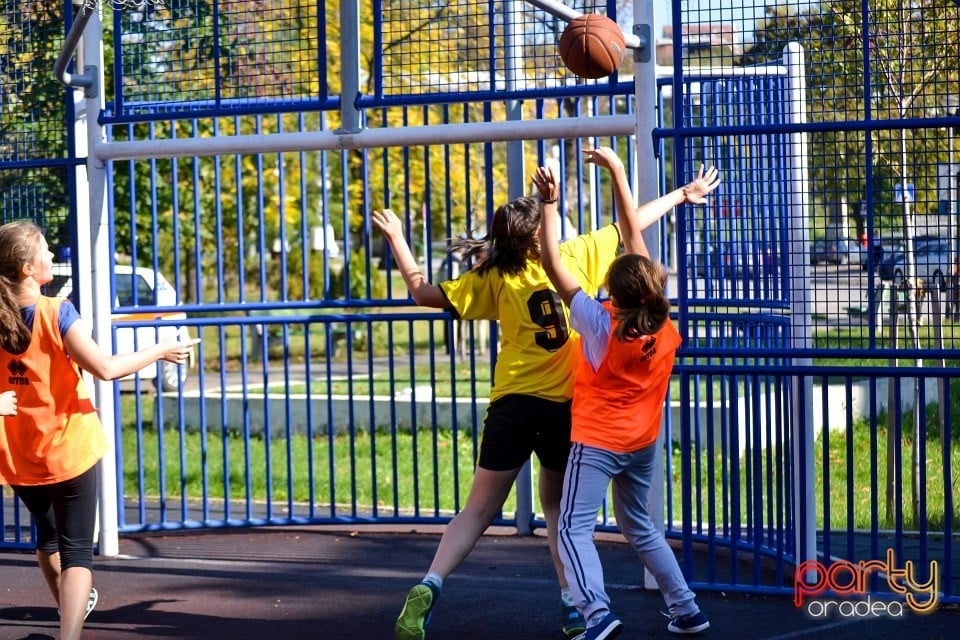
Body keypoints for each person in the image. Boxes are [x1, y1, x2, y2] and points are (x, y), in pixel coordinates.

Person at [535, 158, 720, 640]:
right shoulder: (665, 323)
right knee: (640, 526)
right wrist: (619, 169)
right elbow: (635, 242)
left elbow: (553, 263)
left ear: (614, 294)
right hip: (642, 444)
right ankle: (686, 608)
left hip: (597, 443)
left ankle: (595, 616)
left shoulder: (601, 327)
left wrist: (549, 205)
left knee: (573, 528)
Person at [0, 220, 199, 640]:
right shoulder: (57, 313)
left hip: (19, 455)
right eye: (47, 253)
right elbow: (106, 369)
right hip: (67, 448)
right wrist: (162, 348)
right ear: (26, 269)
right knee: (76, 554)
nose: (52, 257)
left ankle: (68, 609)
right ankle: (68, 635)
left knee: (48, 537)